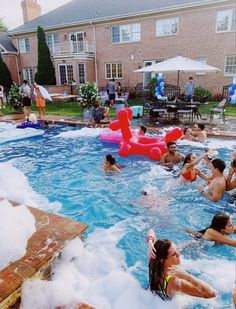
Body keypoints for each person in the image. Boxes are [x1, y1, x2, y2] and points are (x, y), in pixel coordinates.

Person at [147, 229, 216, 300]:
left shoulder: (153, 262)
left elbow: (151, 230)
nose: (178, 254)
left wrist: (150, 242)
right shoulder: (174, 282)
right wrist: (187, 277)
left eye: (177, 250)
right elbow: (211, 294)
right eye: (174, 254)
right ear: (163, 260)